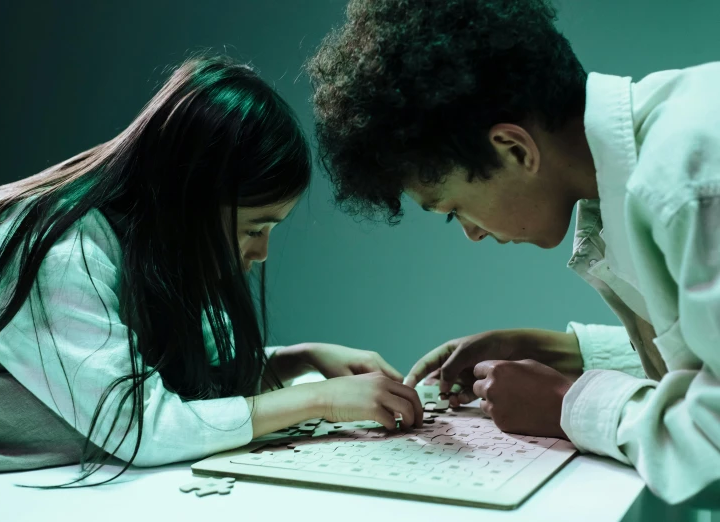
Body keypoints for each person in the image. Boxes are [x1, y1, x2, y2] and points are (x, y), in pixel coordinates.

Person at [307, 0, 720, 504]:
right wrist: (558, 349)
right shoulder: (662, 153)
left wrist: (567, 402)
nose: (472, 234)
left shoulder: (691, 185)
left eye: (454, 208)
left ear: (514, 149)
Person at [0, 54, 422, 482]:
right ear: (189, 201)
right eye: (254, 227)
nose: (262, 253)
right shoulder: (60, 251)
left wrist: (298, 357)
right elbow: (139, 427)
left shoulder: (146, 245)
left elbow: (181, 375)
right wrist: (323, 399)